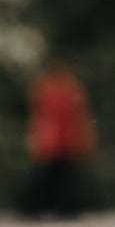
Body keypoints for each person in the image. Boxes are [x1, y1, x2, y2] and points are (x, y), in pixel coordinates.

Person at [23, 59, 95, 217]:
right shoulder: (51, 88)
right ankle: (39, 208)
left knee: (64, 177)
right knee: (49, 176)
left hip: (63, 139)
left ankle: (64, 209)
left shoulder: (66, 88)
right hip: (53, 140)